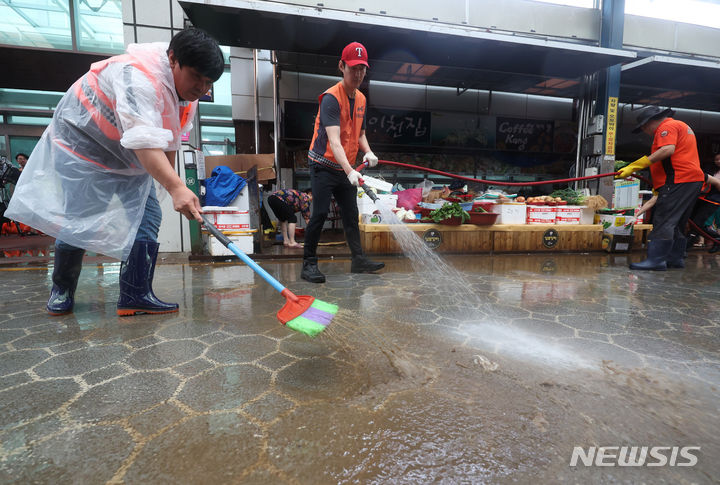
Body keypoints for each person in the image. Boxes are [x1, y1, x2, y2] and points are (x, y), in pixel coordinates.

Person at [6, 28, 224, 315]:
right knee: (78, 220)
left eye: (209, 82)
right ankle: (62, 289)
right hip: (86, 150)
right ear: (173, 59)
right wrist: (176, 187)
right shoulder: (138, 76)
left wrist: (172, 186)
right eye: (197, 76)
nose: (202, 87)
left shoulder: (187, 97)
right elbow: (144, 141)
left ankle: (135, 294)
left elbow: (168, 139)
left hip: (129, 156)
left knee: (148, 215)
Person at [301, 41, 385, 283]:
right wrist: (350, 171)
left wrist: (368, 152)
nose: (358, 74)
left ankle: (358, 260)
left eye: (362, 69)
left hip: (345, 168)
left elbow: (359, 133)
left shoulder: (361, 99)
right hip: (324, 165)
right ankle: (308, 264)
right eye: (353, 68)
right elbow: (334, 141)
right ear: (342, 66)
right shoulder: (330, 98)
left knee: (351, 213)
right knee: (319, 213)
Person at [617, 105, 704, 270]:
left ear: (650, 122)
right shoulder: (681, 126)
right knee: (677, 222)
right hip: (689, 180)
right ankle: (675, 259)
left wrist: (635, 166)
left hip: (679, 179)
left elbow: (667, 150)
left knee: (663, 219)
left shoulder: (667, 127)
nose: (645, 131)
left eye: (643, 127)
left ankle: (656, 260)